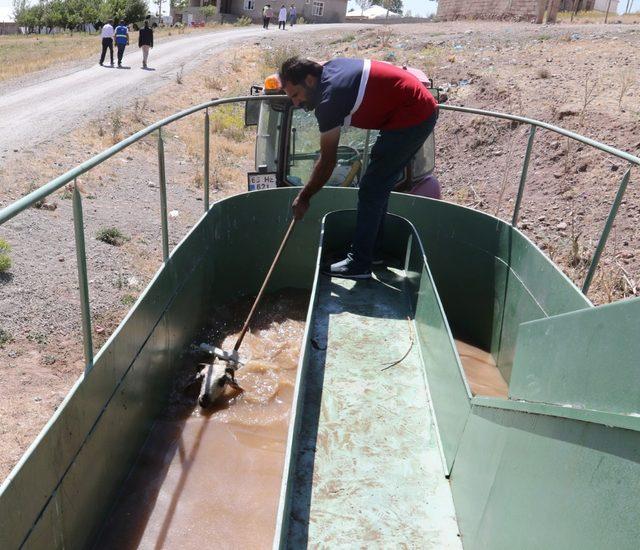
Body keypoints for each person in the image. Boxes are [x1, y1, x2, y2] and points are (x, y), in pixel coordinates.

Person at [279, 57, 438, 279]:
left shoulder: (328, 99)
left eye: (295, 95)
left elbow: (327, 161)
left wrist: (304, 196)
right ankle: (371, 252)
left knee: (371, 188)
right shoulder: (327, 71)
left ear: (309, 80)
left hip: (413, 114)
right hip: (404, 112)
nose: (296, 103)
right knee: (375, 187)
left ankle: (359, 264)